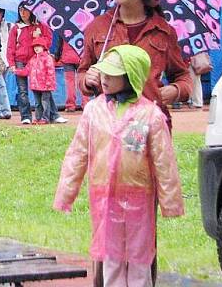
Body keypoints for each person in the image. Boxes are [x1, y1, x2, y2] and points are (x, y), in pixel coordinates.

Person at [54, 45, 184, 287]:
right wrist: (66, 193)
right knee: (111, 259)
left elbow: (164, 161)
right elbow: (78, 154)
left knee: (139, 260)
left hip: (139, 199)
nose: (104, 79)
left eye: (112, 74)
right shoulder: (94, 111)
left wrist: (170, 202)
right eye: (103, 73)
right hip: (105, 198)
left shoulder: (151, 115)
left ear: (130, 76)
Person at [78, 0, 192, 126]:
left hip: (151, 124)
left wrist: (176, 90)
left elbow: (182, 75)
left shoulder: (163, 31)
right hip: (109, 126)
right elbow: (82, 71)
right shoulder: (98, 27)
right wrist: (87, 80)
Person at [7, 2, 52, 125]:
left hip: (36, 61)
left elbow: (48, 42)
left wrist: (38, 37)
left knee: (41, 89)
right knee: (22, 90)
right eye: (20, 10)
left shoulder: (40, 26)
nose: (23, 13)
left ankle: (46, 116)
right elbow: (10, 47)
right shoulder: (16, 28)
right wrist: (11, 63)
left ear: (31, 11)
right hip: (20, 61)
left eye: (25, 10)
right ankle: (26, 116)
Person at [13, 34, 56, 124]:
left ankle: (45, 118)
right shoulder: (33, 59)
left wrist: (49, 83)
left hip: (45, 86)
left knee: (45, 102)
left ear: (43, 47)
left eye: (38, 46)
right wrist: (17, 71)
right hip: (35, 86)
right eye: (35, 46)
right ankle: (38, 118)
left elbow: (50, 72)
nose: (36, 48)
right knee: (37, 103)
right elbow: (26, 70)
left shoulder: (47, 58)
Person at [51, 31, 86, 112]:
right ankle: (86, 104)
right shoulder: (83, 27)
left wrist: (57, 57)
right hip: (81, 57)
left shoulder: (63, 29)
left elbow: (59, 45)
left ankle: (70, 105)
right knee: (82, 81)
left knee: (70, 82)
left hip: (67, 58)